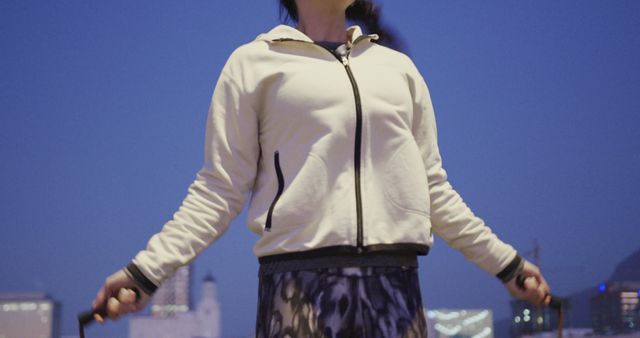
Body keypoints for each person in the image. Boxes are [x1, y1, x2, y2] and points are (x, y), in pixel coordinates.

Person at [92, 0, 552, 337]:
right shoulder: (253, 65)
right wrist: (145, 272)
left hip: (398, 290)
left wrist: (508, 265)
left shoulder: (399, 70)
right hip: (296, 290)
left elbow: (432, 188)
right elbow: (218, 190)